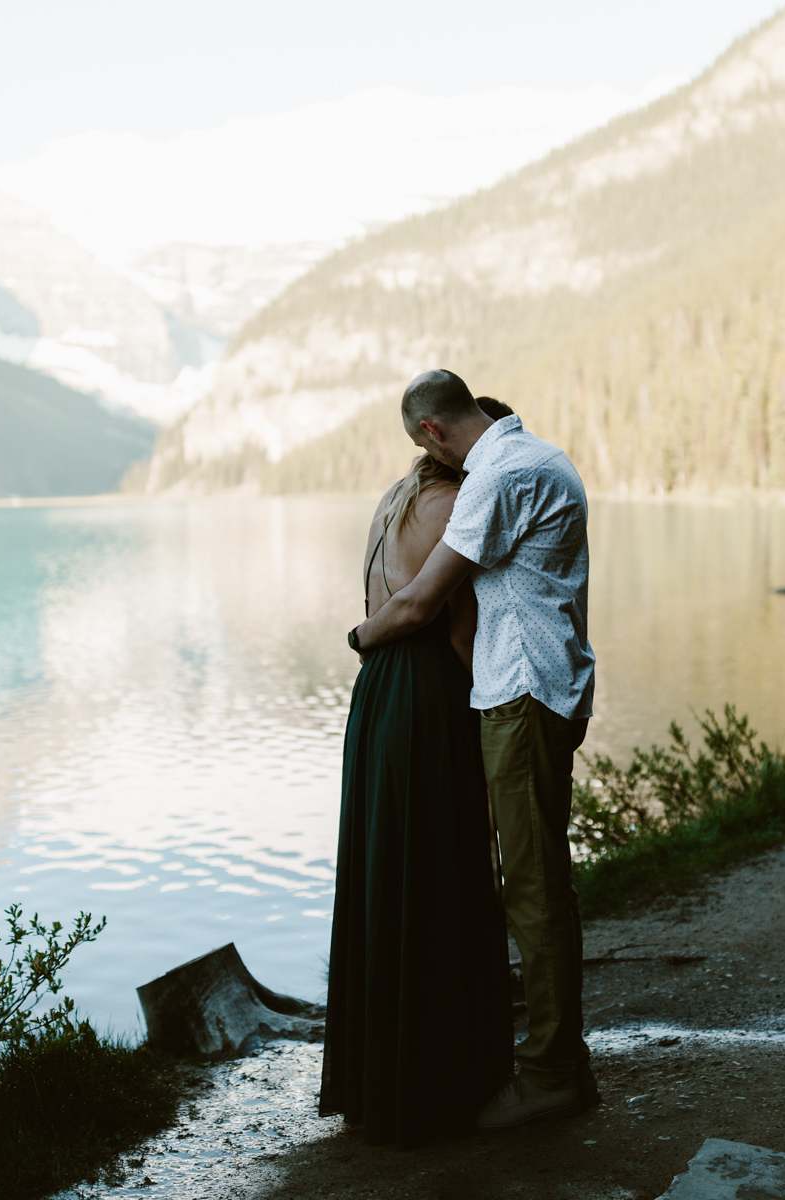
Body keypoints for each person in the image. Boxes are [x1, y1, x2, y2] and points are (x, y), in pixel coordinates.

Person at [349, 368, 598, 1130]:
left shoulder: (497, 477)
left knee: (531, 886)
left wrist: (360, 637)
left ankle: (553, 1073)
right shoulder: (534, 458)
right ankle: (550, 1058)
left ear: (431, 433)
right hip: (538, 688)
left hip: (521, 696)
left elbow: (424, 599)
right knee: (535, 876)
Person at [317, 417, 513, 1146]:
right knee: (440, 869)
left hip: (376, 695)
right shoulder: (457, 505)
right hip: (429, 694)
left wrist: (366, 643)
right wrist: (485, 714)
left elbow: (377, 606)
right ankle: (443, 1081)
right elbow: (456, 625)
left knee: (383, 873)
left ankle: (377, 1081)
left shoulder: (393, 498)